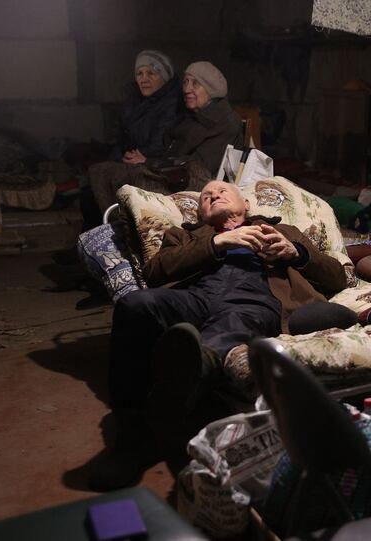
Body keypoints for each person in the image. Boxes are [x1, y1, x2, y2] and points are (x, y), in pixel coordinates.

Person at [89, 180, 349, 491]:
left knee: (235, 322)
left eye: (223, 191)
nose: (214, 195)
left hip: (254, 299)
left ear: (247, 206)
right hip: (196, 296)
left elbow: (338, 277)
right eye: (207, 196)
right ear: (200, 213)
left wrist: (296, 253)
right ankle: (131, 434)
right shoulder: (184, 235)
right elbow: (156, 272)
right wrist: (219, 243)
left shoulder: (285, 231)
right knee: (136, 305)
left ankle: (188, 375)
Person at [87, 61, 242, 221]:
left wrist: (148, 162)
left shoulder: (225, 123)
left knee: (118, 177)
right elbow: (168, 148)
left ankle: (120, 229)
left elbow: (199, 166)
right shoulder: (192, 117)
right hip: (173, 172)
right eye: (186, 82)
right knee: (99, 173)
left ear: (211, 89)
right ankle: (110, 231)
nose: (187, 89)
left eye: (195, 84)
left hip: (191, 183)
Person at [109, 50, 183, 164]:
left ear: (165, 77)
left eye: (151, 73)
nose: (144, 80)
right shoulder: (131, 99)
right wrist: (119, 157)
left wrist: (132, 157)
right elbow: (118, 137)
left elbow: (159, 145)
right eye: (139, 73)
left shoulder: (173, 104)